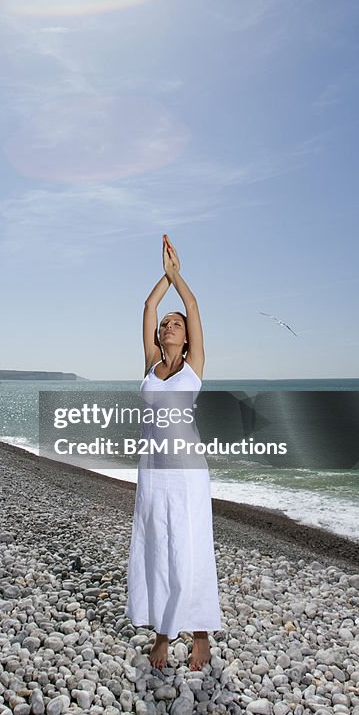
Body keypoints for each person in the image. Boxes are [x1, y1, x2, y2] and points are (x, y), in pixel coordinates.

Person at [125, 234, 222, 671]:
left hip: (186, 474)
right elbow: (147, 308)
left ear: (185, 340)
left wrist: (177, 275)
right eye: (166, 324)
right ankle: (163, 632)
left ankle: (200, 634)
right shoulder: (150, 366)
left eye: (175, 325)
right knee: (157, 546)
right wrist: (160, 279)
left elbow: (196, 308)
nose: (168, 326)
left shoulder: (193, 368)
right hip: (152, 472)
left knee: (191, 545)